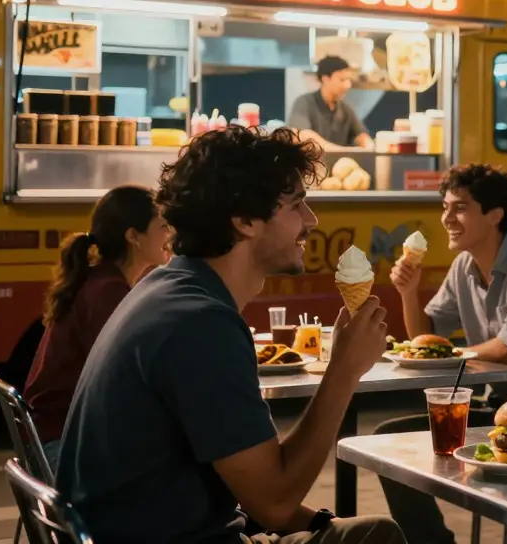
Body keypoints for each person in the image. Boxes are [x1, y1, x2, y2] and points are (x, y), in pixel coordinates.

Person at [57, 127, 403, 544]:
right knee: (376, 537)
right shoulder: (200, 325)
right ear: (244, 221)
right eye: (297, 205)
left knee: (366, 531)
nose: (311, 221)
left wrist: (316, 524)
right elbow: (273, 504)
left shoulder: (165, 289)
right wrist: (344, 372)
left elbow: (254, 488)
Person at [377, 162, 507, 544]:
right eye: (444, 207)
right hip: (500, 412)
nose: (446, 219)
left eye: (459, 208)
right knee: (388, 442)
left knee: (402, 439)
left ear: (495, 215)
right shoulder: (463, 267)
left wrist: (452, 353)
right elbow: (425, 338)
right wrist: (408, 293)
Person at [24, 185, 171, 471]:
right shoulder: (108, 293)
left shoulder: (100, 282)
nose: (170, 235)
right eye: (163, 226)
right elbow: (128, 380)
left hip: (55, 436)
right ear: (133, 237)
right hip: (65, 446)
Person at [288, 55, 373, 150]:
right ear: (325, 78)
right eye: (342, 80)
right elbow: (303, 135)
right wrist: (343, 151)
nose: (347, 85)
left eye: (349, 80)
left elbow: (361, 135)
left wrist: (368, 145)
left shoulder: (346, 109)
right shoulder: (304, 103)